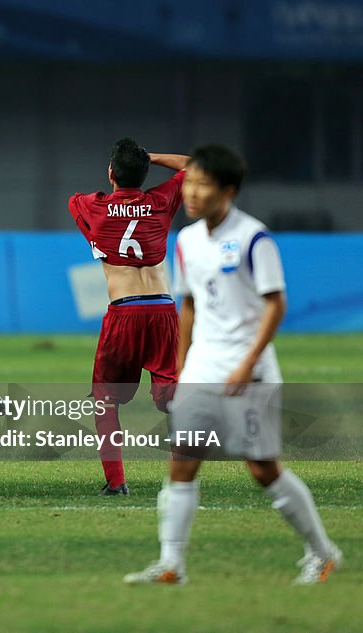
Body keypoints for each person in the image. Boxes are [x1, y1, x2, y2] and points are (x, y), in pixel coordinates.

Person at [125, 145, 342, 586]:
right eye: (190, 183)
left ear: (228, 191)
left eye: (202, 185)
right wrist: (182, 365)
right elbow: (187, 305)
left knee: (264, 469)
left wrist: (248, 363)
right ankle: (171, 565)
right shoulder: (185, 240)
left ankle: (322, 552)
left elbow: (276, 304)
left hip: (248, 374)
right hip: (203, 368)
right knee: (181, 463)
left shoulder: (253, 238)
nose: (191, 192)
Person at [68, 139, 188, 495]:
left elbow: (76, 203)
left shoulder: (90, 206)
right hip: (163, 308)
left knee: (106, 399)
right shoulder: (160, 200)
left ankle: (117, 482)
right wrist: (150, 158)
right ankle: (184, 472)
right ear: (145, 172)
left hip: (124, 311)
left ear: (110, 174)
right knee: (172, 398)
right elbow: (197, 167)